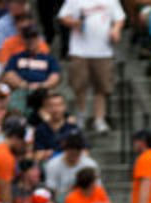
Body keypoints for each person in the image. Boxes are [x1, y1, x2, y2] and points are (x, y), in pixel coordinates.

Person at [57, 0, 125, 133]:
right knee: (79, 86)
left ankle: (99, 118)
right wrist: (74, 23)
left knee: (101, 87)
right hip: (79, 49)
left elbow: (120, 18)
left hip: (103, 50)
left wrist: (116, 29)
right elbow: (63, 16)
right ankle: (81, 115)